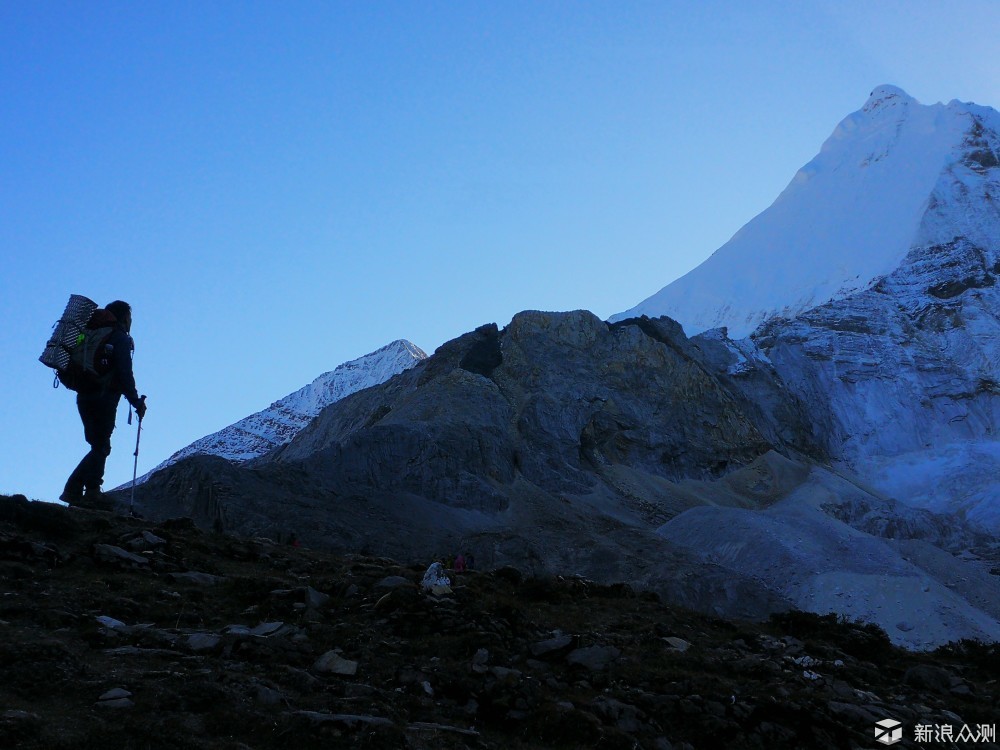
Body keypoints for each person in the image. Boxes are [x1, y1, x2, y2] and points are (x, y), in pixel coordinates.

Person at [60, 300, 146, 509]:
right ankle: (88, 491)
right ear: (124, 317)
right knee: (101, 446)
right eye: (129, 317)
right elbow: (125, 373)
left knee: (98, 445)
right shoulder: (119, 338)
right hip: (104, 396)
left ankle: (81, 490)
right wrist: (136, 401)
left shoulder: (88, 334)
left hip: (83, 394)